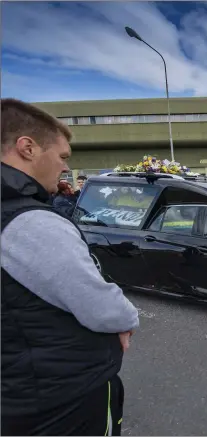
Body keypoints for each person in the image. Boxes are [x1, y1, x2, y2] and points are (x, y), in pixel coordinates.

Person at [0, 98, 140, 436]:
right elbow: (102, 308)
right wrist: (126, 320)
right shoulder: (30, 222)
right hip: (64, 395)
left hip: (20, 388)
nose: (65, 168)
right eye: (62, 157)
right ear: (27, 148)